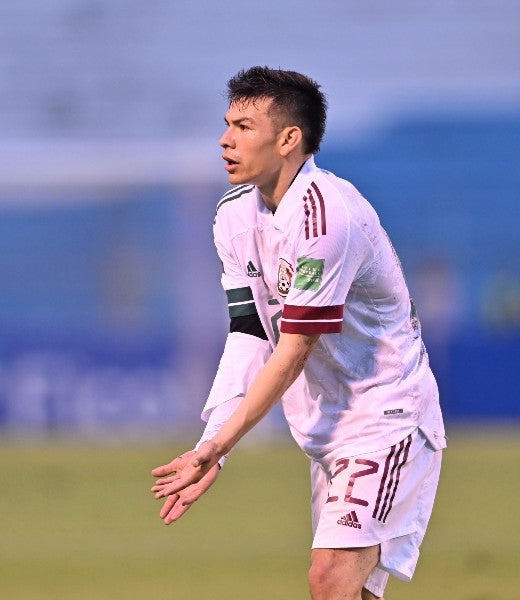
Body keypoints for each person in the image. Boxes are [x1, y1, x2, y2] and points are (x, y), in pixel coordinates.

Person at [151, 66, 446, 600]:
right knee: (350, 591)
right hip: (326, 428)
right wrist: (211, 444)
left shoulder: (326, 218)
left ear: (288, 139)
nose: (225, 139)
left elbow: (292, 351)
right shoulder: (233, 216)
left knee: (329, 578)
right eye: (227, 123)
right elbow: (249, 333)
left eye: (244, 126)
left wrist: (219, 445)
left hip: (386, 414)